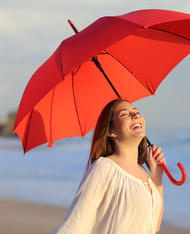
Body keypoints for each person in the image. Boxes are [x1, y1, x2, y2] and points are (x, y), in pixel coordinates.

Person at [54, 99, 165, 234]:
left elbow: (154, 226)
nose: (135, 116)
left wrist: (157, 176)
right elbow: (74, 224)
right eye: (124, 114)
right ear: (111, 131)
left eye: (137, 112)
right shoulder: (104, 167)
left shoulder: (144, 174)